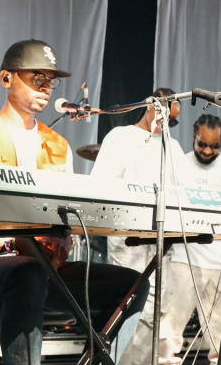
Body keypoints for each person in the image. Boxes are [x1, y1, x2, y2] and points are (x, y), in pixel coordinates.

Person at [0, 39, 149, 365]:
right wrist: (14, 239)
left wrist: (64, 239)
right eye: (37, 78)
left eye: (51, 80)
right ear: (7, 79)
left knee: (134, 284)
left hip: (41, 272)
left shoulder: (58, 147)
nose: (46, 88)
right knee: (28, 272)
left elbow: (62, 231)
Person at [90, 87, 186, 365]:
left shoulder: (174, 147)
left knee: (156, 309)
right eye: (165, 115)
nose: (168, 123)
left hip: (162, 240)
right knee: (129, 304)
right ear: (150, 106)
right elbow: (101, 185)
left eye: (173, 120)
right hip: (128, 237)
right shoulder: (120, 137)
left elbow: (184, 193)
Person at [167, 114, 221, 365]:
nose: (208, 150)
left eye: (215, 146)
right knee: (170, 324)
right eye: (203, 144)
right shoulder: (179, 164)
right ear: (194, 136)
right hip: (184, 255)